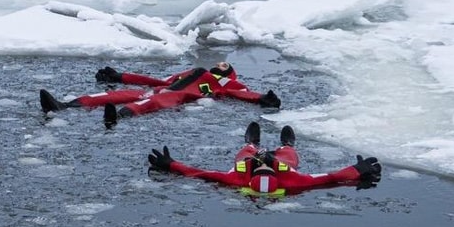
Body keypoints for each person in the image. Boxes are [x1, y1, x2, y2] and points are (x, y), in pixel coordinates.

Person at [146, 122, 382, 198]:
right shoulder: (293, 180)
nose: (264, 164)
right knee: (289, 156)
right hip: (284, 168)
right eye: (264, 167)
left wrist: (170, 165)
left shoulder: (236, 177)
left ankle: (251, 143)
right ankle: (286, 145)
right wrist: (357, 170)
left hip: (246, 165)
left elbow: (199, 173)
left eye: (263, 167)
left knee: (245, 153)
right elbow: (330, 178)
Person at [39, 61, 281, 128]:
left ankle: (117, 118)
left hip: (182, 96)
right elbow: (156, 81)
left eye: (225, 64)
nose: (220, 64)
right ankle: (65, 106)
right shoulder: (191, 71)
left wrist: (260, 98)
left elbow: (239, 95)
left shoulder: (231, 83)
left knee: (151, 102)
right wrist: (120, 77)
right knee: (117, 95)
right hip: (162, 88)